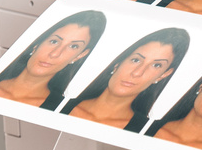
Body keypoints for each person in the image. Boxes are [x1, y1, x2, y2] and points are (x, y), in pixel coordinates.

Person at [61, 27, 191, 131]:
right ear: (118, 63)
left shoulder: (148, 131)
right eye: (136, 60)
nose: (137, 72)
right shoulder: (59, 103)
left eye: (156, 65)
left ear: (163, 75)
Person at [0, 10, 107, 109]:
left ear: (80, 55)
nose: (55, 53)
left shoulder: (60, 109)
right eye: (54, 41)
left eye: (73, 46)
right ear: (37, 45)